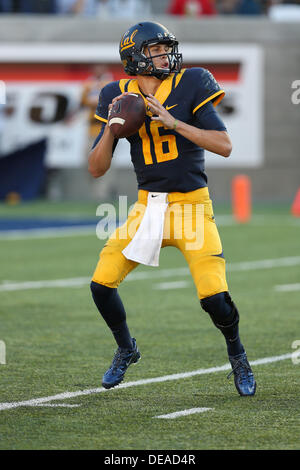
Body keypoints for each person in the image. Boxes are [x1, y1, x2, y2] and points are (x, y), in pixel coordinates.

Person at [88, 21, 256, 397]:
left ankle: (237, 354)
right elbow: (96, 167)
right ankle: (126, 348)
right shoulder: (116, 94)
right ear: (135, 57)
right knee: (101, 285)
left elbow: (224, 145)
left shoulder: (192, 81)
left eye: (167, 49)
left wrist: (174, 122)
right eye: (156, 50)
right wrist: (112, 131)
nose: (166, 55)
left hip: (192, 207)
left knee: (214, 297)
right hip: (148, 207)